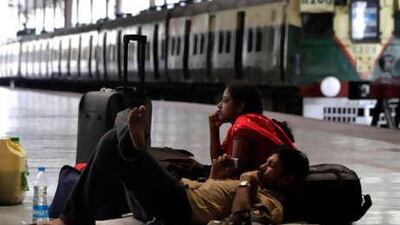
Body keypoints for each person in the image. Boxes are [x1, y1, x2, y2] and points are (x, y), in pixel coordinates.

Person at [40, 105, 309, 225]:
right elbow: (213, 199)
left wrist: (244, 181)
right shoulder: (255, 184)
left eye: (271, 166)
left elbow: (240, 221)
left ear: (286, 180)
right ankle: (133, 145)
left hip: (178, 206)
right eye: (266, 162)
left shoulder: (272, 205)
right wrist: (214, 179)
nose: (262, 168)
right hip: (169, 201)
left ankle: (133, 146)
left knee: (114, 138)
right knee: (117, 137)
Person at [209, 80, 296, 176]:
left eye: (225, 100)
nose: (219, 105)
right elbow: (217, 163)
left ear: (239, 106)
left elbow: (235, 172)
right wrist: (214, 129)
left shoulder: (242, 126)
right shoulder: (256, 121)